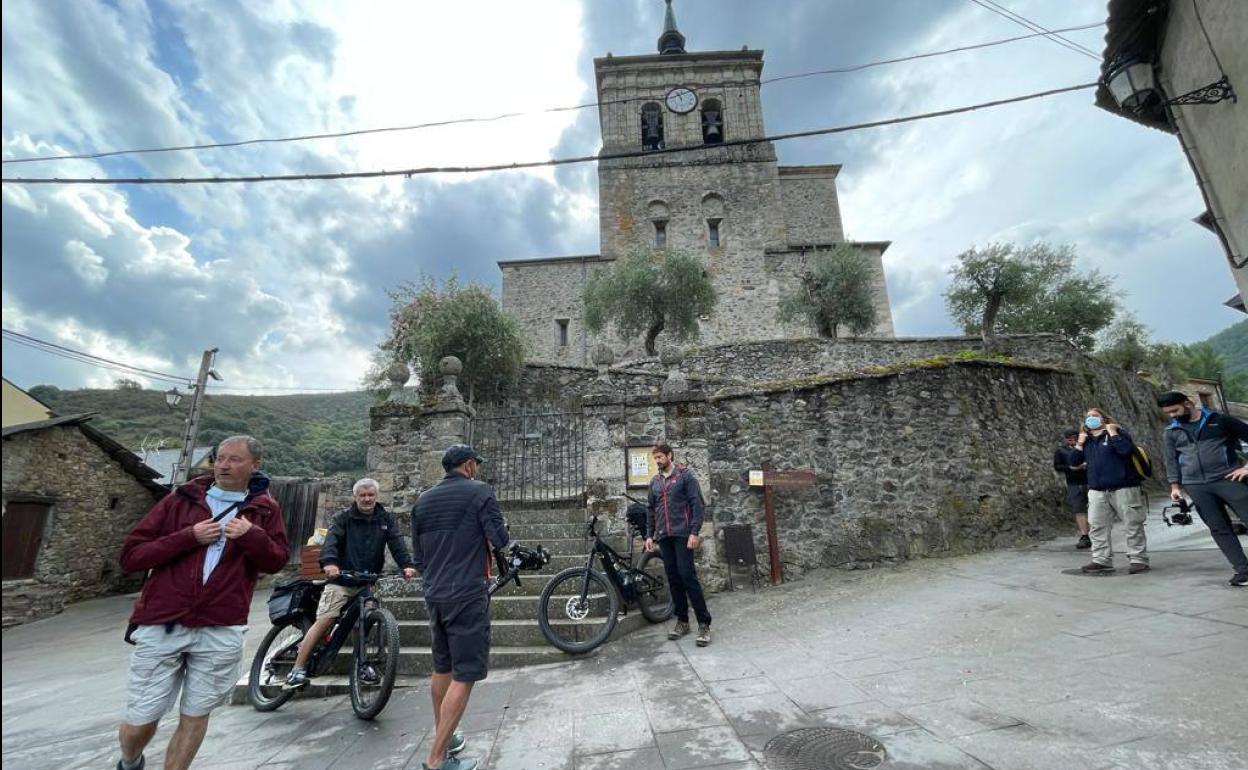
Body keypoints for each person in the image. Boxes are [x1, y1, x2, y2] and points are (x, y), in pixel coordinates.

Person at [114, 436, 288, 770]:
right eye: (219, 458)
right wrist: (189, 536)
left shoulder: (265, 509)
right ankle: (130, 760)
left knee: (196, 714)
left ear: (255, 465)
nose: (223, 465)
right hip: (164, 621)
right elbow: (131, 556)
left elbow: (276, 560)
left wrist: (252, 535)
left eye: (234, 459)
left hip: (222, 625)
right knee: (141, 718)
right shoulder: (182, 499)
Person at [410, 445, 508, 770]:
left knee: (443, 668)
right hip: (466, 593)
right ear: (468, 465)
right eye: (475, 464)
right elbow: (499, 537)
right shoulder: (479, 492)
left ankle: (446, 737)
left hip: (435, 594)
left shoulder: (422, 500)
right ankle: (436, 759)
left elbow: (419, 559)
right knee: (465, 674)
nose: (477, 469)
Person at [285, 478, 419, 689]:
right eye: (362, 495)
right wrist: (330, 563)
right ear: (355, 497)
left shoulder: (385, 519)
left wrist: (407, 565)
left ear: (376, 496)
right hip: (342, 580)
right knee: (326, 620)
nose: (367, 499)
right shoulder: (343, 518)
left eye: (370, 495)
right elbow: (332, 542)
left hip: (368, 581)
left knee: (365, 623)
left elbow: (396, 543)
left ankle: (363, 665)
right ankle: (297, 669)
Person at [1157, 390, 1248, 587]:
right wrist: (1175, 487)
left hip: (1229, 479)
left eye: (1175, 410)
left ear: (1188, 403)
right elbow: (1171, 460)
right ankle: (1243, 571)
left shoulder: (1221, 421)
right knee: (1218, 528)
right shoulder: (1171, 432)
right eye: (1168, 413)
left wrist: (1246, 467)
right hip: (1196, 486)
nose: (1172, 416)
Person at [644, 443, 712, 647]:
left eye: (660, 457)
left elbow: (697, 504)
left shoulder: (685, 476)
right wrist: (649, 535)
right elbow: (651, 509)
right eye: (655, 458)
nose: (657, 461)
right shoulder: (655, 482)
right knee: (673, 578)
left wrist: (694, 531)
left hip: (683, 534)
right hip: (664, 536)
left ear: (669, 455)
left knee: (687, 576)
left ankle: (704, 623)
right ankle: (682, 621)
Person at [1069, 409, 1150, 575]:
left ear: (1104, 419)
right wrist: (1079, 443)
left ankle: (1138, 559)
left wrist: (1113, 433)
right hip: (1097, 490)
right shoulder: (1088, 441)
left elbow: (1126, 451)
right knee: (1097, 526)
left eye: (1095, 416)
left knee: (1132, 524)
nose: (1091, 419)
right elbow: (1073, 462)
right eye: (1088, 416)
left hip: (1124, 487)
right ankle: (1101, 560)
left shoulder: (1119, 434)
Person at [1054, 428, 1092, 550]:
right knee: (1079, 509)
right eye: (1070, 440)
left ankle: (1096, 534)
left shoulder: (1087, 447)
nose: (1073, 442)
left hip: (1090, 481)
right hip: (1074, 483)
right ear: (1066, 440)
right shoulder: (1061, 451)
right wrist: (1071, 468)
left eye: (1075, 439)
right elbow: (1057, 466)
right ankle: (1085, 535)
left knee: (1095, 508)